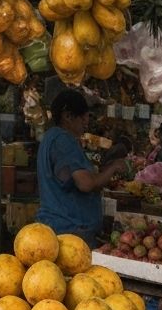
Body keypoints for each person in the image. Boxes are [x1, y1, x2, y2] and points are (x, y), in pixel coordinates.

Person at [35, 89, 127, 245]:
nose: (87, 122)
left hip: (56, 227)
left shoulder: (50, 137)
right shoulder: (64, 141)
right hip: (70, 230)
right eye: (83, 117)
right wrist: (114, 168)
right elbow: (86, 183)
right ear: (68, 116)